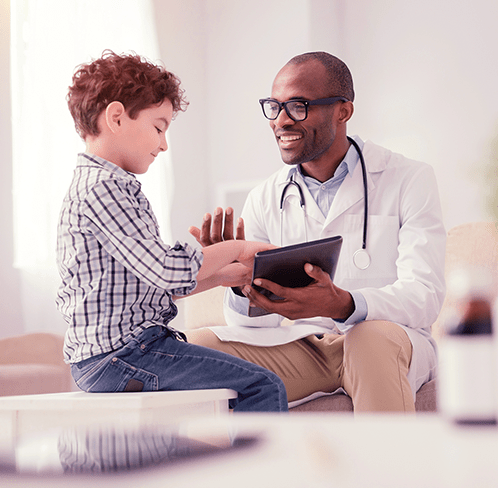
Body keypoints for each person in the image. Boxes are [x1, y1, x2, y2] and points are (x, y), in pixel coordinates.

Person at [187, 51, 446, 412]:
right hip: (306, 346)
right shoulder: (265, 196)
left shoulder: (409, 178)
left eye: (297, 106)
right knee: (198, 348)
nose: (281, 121)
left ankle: (391, 469)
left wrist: (345, 304)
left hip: (387, 338)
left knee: (369, 339)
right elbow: (248, 323)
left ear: (343, 110)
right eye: (274, 107)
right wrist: (235, 279)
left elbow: (425, 295)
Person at [56, 50, 288, 413]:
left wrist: (227, 276)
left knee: (249, 382)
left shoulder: (104, 185)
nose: (163, 144)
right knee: (262, 386)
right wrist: (238, 248)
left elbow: (150, 287)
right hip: (122, 355)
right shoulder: (105, 188)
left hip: (113, 355)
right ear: (116, 117)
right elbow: (166, 271)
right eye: (159, 127)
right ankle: (257, 472)